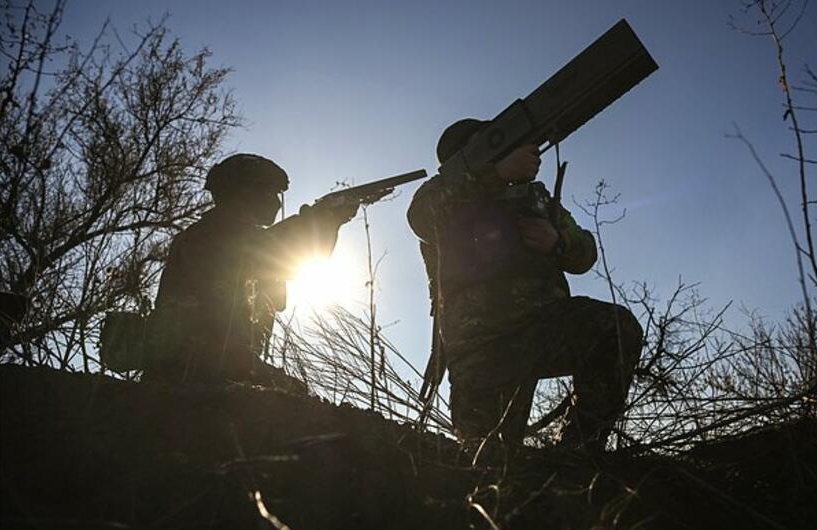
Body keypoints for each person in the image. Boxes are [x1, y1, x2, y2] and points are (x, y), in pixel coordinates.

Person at [408, 119, 643, 453]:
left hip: (540, 329)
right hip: (480, 348)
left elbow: (586, 253)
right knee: (487, 456)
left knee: (615, 329)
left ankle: (578, 453)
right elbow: (420, 217)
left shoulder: (534, 198)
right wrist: (496, 173)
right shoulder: (443, 194)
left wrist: (558, 242)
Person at [143, 154, 357, 389]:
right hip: (202, 364)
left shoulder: (211, 232)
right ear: (245, 193)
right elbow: (277, 253)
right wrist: (322, 220)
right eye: (270, 193)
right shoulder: (217, 233)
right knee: (292, 394)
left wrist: (322, 220)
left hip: (208, 362)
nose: (277, 203)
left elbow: (278, 256)